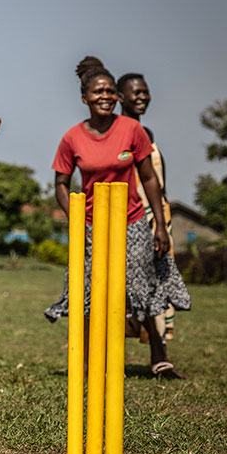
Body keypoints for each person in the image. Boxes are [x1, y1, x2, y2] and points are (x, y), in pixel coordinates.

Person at [44, 62, 190, 378]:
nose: (106, 96)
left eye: (111, 91)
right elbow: (60, 183)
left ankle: (159, 358)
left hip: (132, 220)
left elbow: (149, 177)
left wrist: (160, 225)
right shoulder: (72, 138)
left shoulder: (131, 130)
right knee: (88, 291)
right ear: (85, 98)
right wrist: (74, 218)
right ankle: (86, 362)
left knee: (144, 289)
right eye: (99, 91)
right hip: (91, 226)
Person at [118, 72, 182, 348]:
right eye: (136, 92)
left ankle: (159, 351)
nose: (143, 97)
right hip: (133, 217)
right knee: (130, 284)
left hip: (159, 218)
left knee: (158, 281)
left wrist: (161, 223)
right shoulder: (117, 133)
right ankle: (114, 352)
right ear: (120, 97)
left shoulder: (147, 134)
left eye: (146, 92)